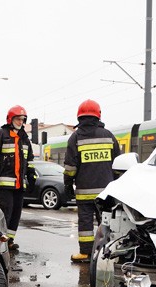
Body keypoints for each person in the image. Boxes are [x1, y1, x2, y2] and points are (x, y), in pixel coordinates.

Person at [63, 99, 120, 263]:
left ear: (79, 117)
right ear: (98, 115)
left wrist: (68, 184)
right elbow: (117, 163)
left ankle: (86, 253)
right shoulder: (108, 136)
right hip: (105, 193)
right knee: (106, 222)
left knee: (85, 224)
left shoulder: (75, 138)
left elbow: (70, 167)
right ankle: (108, 252)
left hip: (84, 192)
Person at [0, 105, 36, 251]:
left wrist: (31, 176)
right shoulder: (0, 135)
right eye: (18, 119)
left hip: (19, 184)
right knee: (5, 213)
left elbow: (29, 160)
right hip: (4, 184)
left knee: (16, 214)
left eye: (22, 119)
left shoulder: (24, 139)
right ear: (10, 119)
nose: (20, 122)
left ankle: (9, 241)